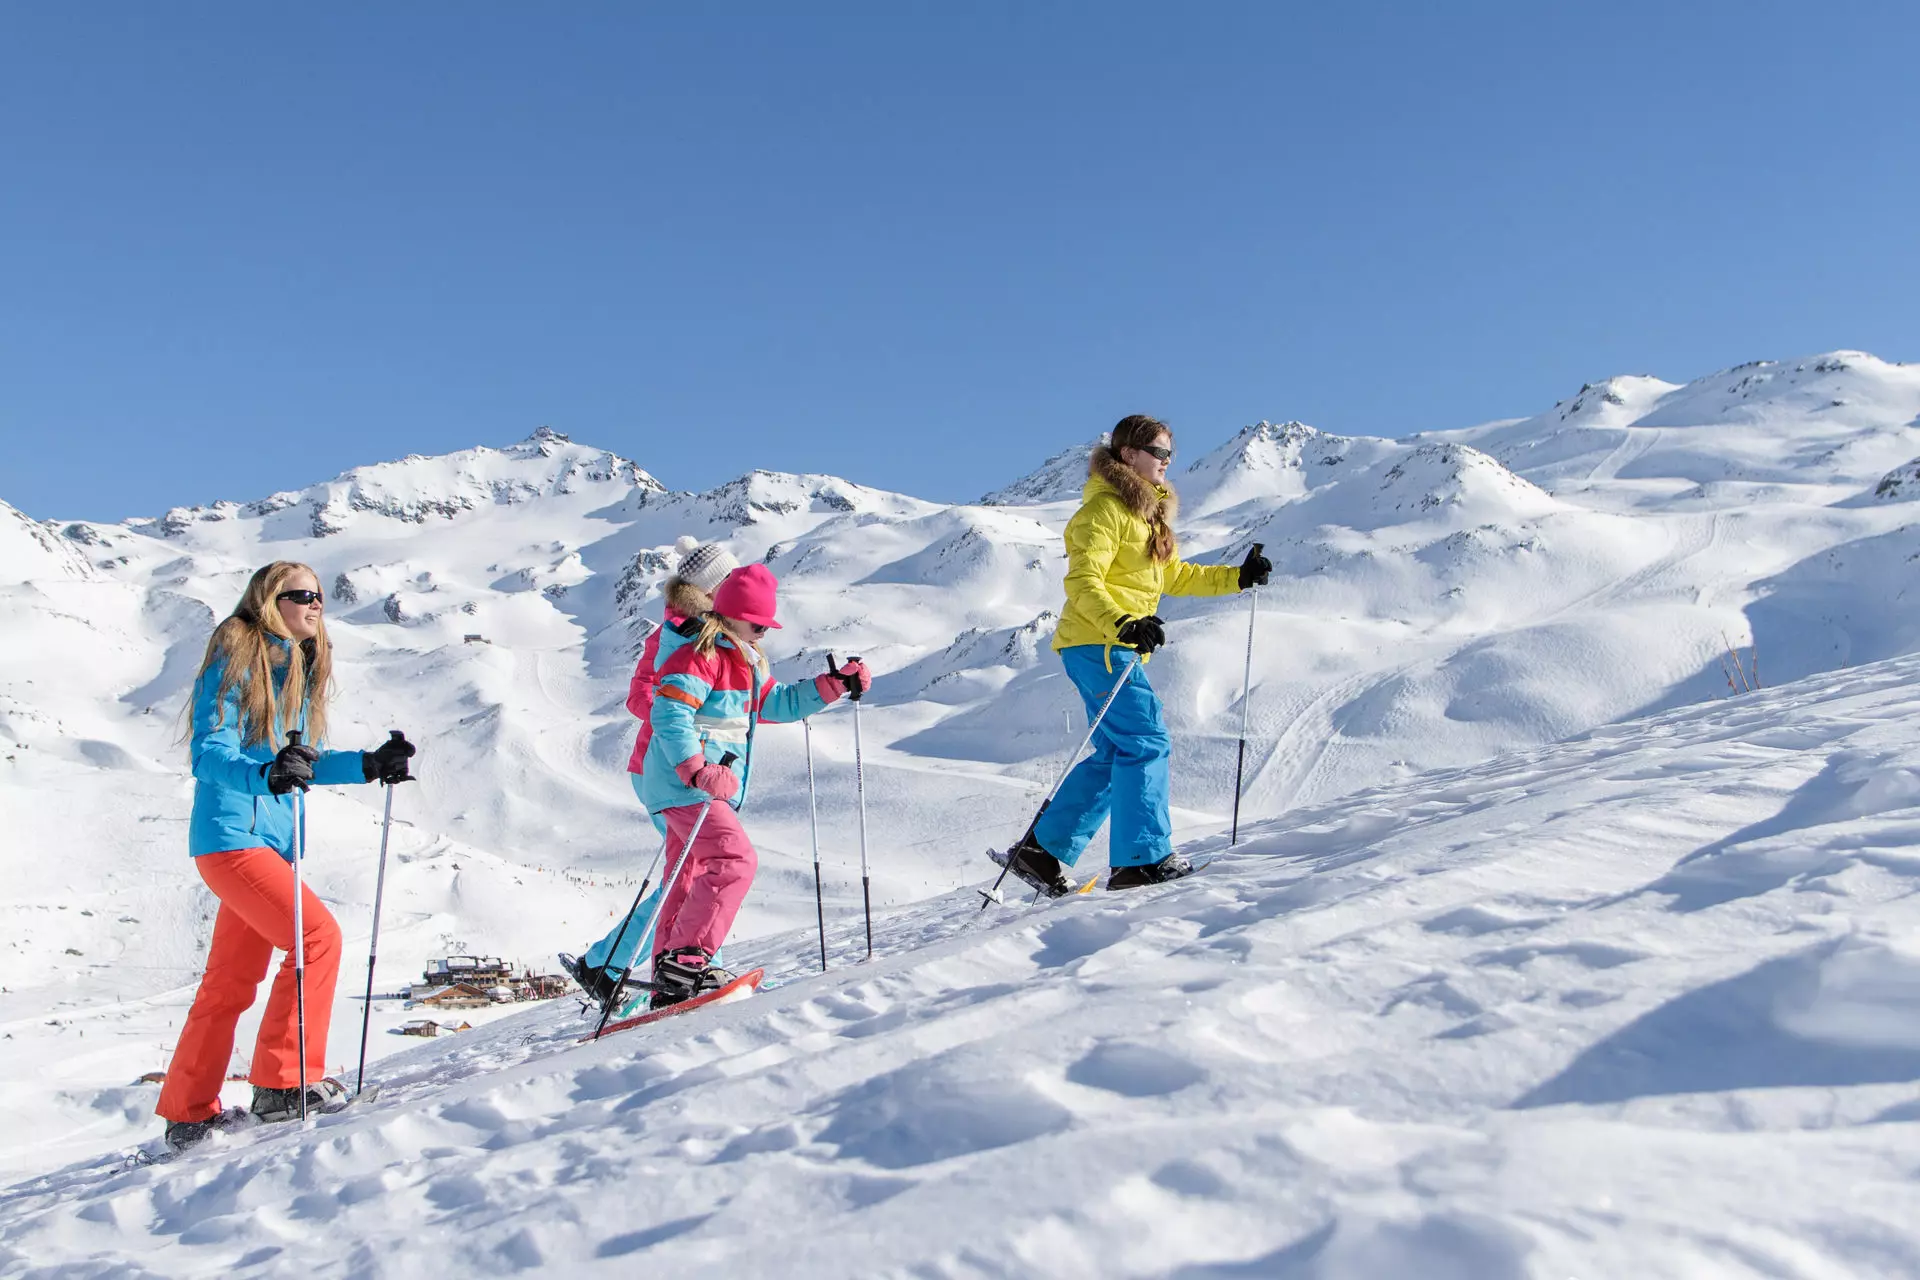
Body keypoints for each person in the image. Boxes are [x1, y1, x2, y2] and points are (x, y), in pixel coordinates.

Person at [155, 562, 416, 1153]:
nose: (316, 603)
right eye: (302, 595)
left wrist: (369, 764)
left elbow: (301, 761)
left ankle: (188, 1113)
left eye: (321, 595)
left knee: (229, 982)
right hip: (230, 838)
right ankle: (281, 1084)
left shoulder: (294, 668)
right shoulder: (238, 658)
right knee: (318, 936)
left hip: (264, 843)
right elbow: (208, 754)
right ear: (270, 600)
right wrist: (264, 773)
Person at [999, 414, 1270, 894]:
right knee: (1145, 739)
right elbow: (1083, 582)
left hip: (1107, 644)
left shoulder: (1145, 517)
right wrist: (1124, 622)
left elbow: (1174, 576)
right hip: (1100, 643)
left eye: (1170, 454)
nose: (1167, 462)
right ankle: (1141, 860)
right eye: (1159, 453)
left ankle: (1042, 853)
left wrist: (1238, 577)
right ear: (1128, 455)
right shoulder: (1104, 512)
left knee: (1117, 750)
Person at [639, 563, 870, 1007]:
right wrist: (696, 768)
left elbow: (778, 704)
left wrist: (833, 685)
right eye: (757, 622)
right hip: (685, 783)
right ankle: (687, 961)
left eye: (768, 624)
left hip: (695, 785)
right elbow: (668, 714)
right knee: (734, 859)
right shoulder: (698, 657)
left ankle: (670, 978)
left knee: (686, 877)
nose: (763, 631)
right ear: (729, 614)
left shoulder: (745, 662)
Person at [559, 537, 738, 1004]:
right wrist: (679, 704)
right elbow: (640, 696)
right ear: (711, 590)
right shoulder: (673, 637)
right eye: (728, 583)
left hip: (698, 767)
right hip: (665, 769)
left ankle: (609, 962)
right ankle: (679, 962)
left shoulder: (727, 636)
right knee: (695, 869)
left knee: (686, 872)